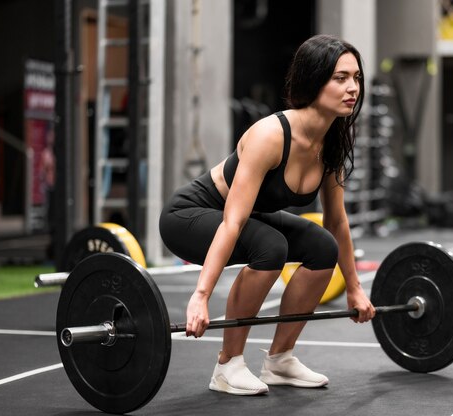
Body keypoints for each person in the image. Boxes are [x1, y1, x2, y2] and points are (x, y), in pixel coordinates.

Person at [159, 34, 376, 396]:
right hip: (189, 216)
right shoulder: (271, 136)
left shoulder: (332, 141)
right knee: (270, 247)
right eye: (340, 78)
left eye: (356, 78)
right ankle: (227, 366)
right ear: (313, 79)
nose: (352, 87)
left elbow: (336, 222)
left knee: (322, 246)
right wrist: (200, 296)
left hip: (241, 219)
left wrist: (355, 289)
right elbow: (233, 221)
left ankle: (280, 360)